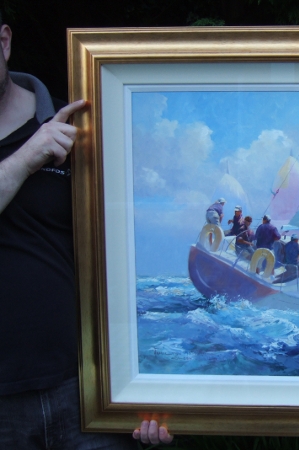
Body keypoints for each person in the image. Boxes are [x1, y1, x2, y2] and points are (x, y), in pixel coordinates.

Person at [0, 17, 171, 448]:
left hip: (86, 392)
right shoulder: (43, 144)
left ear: (4, 42)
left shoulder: (82, 131)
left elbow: (126, 247)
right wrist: (27, 158)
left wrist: (156, 387)